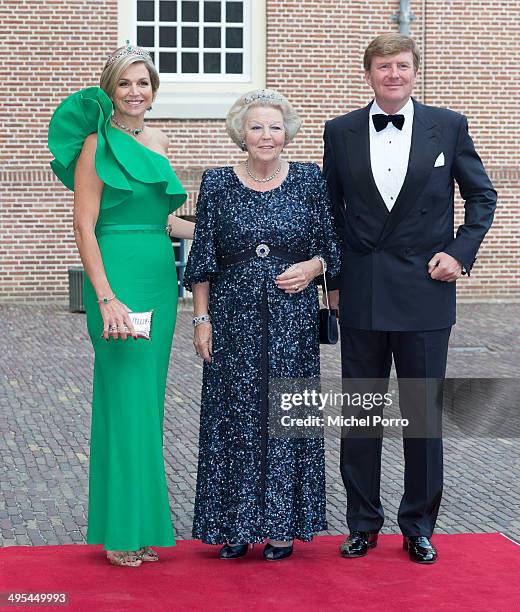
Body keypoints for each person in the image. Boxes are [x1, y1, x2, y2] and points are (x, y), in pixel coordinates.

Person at [323, 33, 497, 563]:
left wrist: (459, 253)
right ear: (368, 73)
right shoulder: (341, 131)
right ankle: (362, 524)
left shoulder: (449, 125)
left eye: (401, 66)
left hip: (426, 288)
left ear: (415, 72)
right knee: (361, 417)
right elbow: (329, 213)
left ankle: (418, 524)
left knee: (422, 416)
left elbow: (482, 195)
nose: (392, 74)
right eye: (382, 66)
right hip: (364, 291)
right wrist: (332, 284)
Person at [48, 43, 194, 567]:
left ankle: (141, 525)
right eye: (127, 83)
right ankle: (119, 533)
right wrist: (105, 297)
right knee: (126, 400)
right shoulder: (94, 145)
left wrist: (224, 230)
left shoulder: (157, 139)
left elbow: (168, 222)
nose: (136, 92)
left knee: (147, 405)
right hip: (117, 280)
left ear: (154, 92)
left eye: (144, 83)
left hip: (160, 278)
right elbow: (84, 226)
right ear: (110, 90)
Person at [183, 89, 340, 561]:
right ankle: (234, 526)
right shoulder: (216, 183)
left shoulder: (310, 179)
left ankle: (281, 527)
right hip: (232, 318)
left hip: (291, 320)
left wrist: (312, 268)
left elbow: (332, 246)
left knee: (284, 414)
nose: (266, 136)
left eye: (274, 127)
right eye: (256, 127)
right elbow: (203, 260)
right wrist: (202, 320)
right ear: (241, 134)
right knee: (233, 419)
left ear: (286, 132)